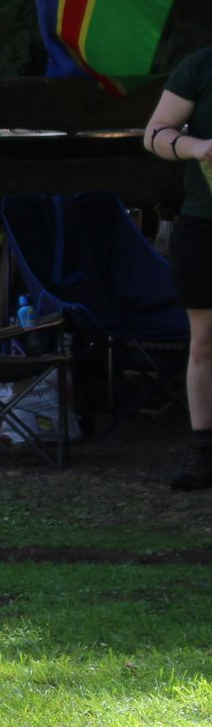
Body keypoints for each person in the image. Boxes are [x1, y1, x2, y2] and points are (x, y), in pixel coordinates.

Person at [143, 51, 212, 491]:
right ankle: (204, 450)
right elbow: (155, 133)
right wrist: (199, 147)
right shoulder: (200, 65)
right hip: (205, 224)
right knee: (204, 344)